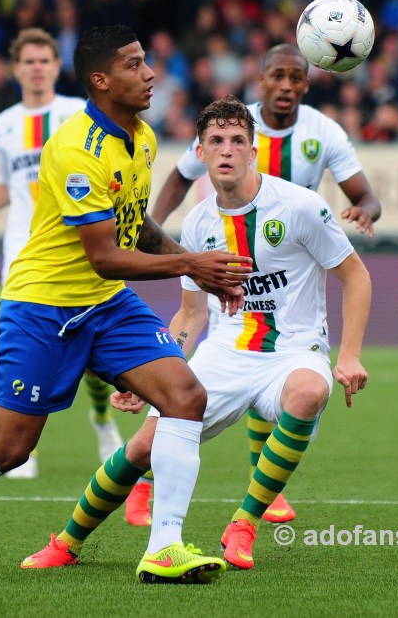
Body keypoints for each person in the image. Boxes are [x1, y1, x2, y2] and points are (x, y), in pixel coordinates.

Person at [0, 25, 250, 585]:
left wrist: (195, 266)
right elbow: (104, 255)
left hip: (106, 305)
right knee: (11, 448)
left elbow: (134, 227)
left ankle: (165, 546)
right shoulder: (75, 150)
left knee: (186, 397)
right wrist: (193, 265)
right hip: (43, 308)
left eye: (147, 62)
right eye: (135, 65)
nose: (150, 75)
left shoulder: (141, 138)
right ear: (101, 80)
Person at [21, 95, 371, 572]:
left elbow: (356, 275)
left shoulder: (301, 206)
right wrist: (147, 375)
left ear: (253, 151)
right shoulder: (199, 223)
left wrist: (348, 355)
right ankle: (67, 542)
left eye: (237, 141)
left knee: (309, 392)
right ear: (200, 153)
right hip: (224, 353)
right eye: (216, 141)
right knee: (143, 447)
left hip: (294, 351)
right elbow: (190, 315)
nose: (227, 150)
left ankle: (243, 524)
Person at [125, 43, 381, 526]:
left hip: (287, 240)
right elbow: (180, 178)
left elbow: (364, 198)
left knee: (284, 372)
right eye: (276, 77)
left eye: (295, 78)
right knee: (229, 358)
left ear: (307, 83)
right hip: (230, 240)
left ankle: (257, 501)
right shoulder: (226, 128)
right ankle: (138, 482)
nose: (285, 86)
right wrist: (155, 232)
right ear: (260, 81)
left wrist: (366, 209)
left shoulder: (322, 133)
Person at [0, 28, 122, 479]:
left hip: (76, 245)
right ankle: (21, 446)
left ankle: (102, 419)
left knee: (94, 352)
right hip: (23, 252)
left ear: (55, 66)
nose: (38, 67)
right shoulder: (3, 124)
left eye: (45, 59)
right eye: (30, 60)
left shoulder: (76, 113)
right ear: (16, 68)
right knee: (20, 349)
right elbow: (9, 185)